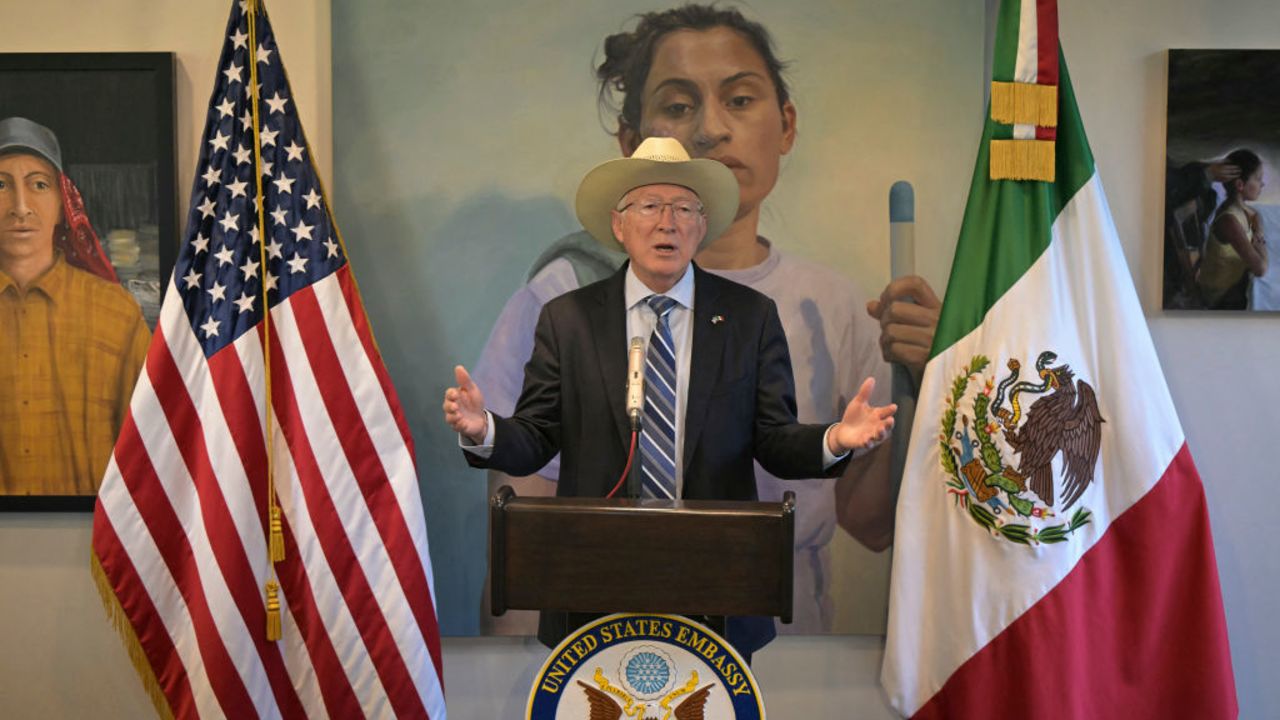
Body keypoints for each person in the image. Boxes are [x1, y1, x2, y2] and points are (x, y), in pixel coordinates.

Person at [472, 3, 927, 635]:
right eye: (679, 106)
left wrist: (924, 380)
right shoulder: (566, 299)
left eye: (740, 100)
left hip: (782, 658)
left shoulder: (832, 305)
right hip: (604, 650)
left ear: (786, 124)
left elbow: (872, 525)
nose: (712, 129)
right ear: (632, 144)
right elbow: (526, 549)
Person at [445, 136, 896, 659]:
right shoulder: (568, 319)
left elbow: (773, 441)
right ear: (619, 225)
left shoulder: (749, 317)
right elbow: (538, 437)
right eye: (651, 207)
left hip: (716, 584)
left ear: (701, 228)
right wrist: (486, 431)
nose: (668, 222)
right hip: (596, 582)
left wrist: (835, 439)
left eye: (684, 209)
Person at [0, 117, 150, 494]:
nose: (20, 207)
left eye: (38, 185)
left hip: (89, 542)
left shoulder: (116, 315)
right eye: (1, 185)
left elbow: (150, 451)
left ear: (63, 201)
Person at [1198, 149, 1269, 310]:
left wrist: (1257, 233)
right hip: (1220, 295)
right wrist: (1259, 238)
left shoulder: (1239, 209)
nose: (1262, 184)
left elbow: (1255, 215)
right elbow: (1261, 269)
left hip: (1232, 281)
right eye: (1258, 179)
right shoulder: (1229, 220)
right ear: (1240, 185)